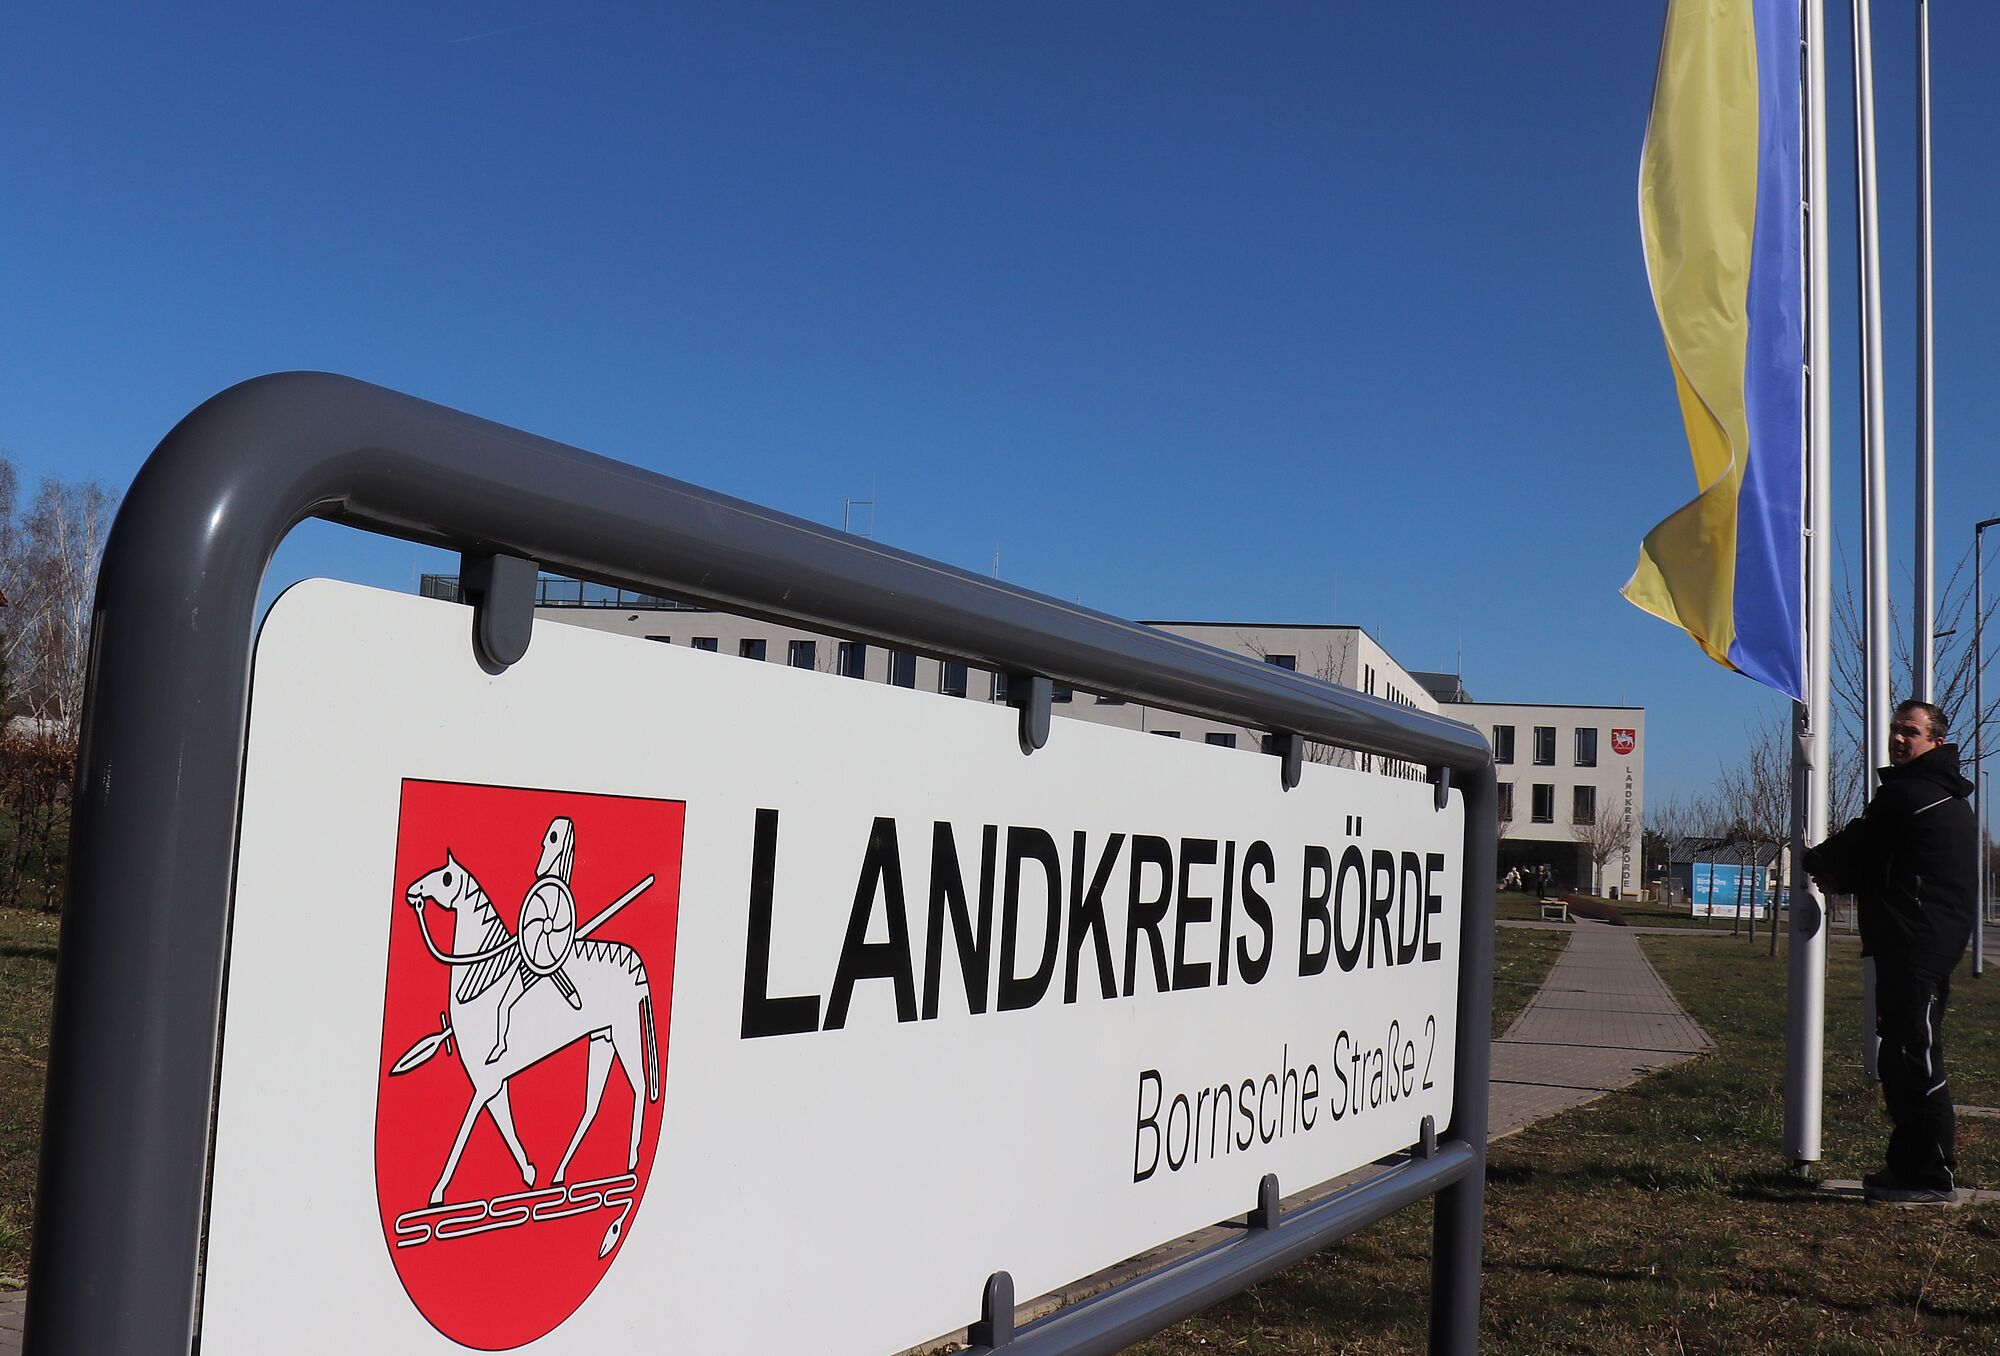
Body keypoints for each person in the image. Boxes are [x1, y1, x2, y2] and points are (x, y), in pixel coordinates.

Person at [1804, 699, 1977, 1204]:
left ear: (1935, 743)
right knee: (1901, 1058)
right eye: (1896, 730)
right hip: (1913, 943)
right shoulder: (1932, 795)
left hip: (1917, 946)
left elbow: (1859, 844)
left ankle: (1932, 1175)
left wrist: (1817, 860)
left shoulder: (1912, 795)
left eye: (1911, 732)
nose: (1899, 739)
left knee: (1915, 1057)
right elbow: (1885, 864)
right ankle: (1905, 1167)